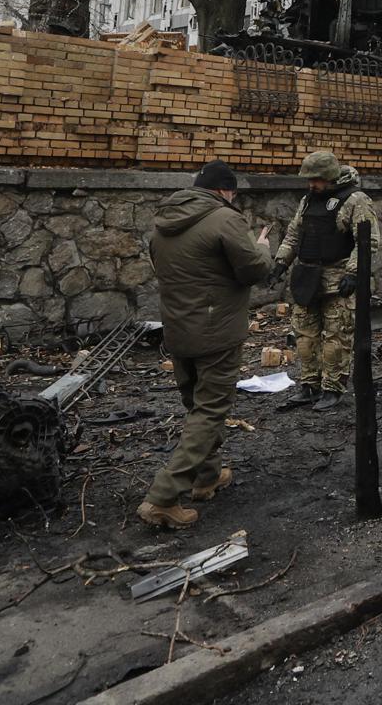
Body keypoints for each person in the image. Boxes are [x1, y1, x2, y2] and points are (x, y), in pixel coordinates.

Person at [140, 161, 276, 529]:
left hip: (179, 331)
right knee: (210, 410)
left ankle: (207, 477)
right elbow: (254, 270)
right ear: (225, 190)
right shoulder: (225, 219)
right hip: (217, 333)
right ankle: (163, 497)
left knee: (196, 407)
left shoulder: (162, 223)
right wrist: (262, 247)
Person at [275, 150, 382, 411]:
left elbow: (367, 242)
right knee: (304, 337)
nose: (312, 184)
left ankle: (333, 388)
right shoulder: (308, 200)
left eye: (317, 179)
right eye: (309, 179)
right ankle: (309, 385)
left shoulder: (355, 200)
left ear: (331, 177)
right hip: (307, 278)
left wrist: (354, 274)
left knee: (337, 339)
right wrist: (279, 263)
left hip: (338, 280)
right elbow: (293, 235)